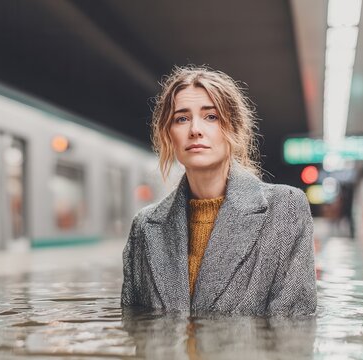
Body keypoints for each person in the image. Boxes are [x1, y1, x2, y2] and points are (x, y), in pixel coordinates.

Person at [121, 66, 316, 316]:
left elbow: (294, 326)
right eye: (181, 118)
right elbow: (136, 326)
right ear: (168, 135)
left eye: (211, 116)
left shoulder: (285, 208)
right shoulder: (145, 227)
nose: (195, 129)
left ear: (233, 129)